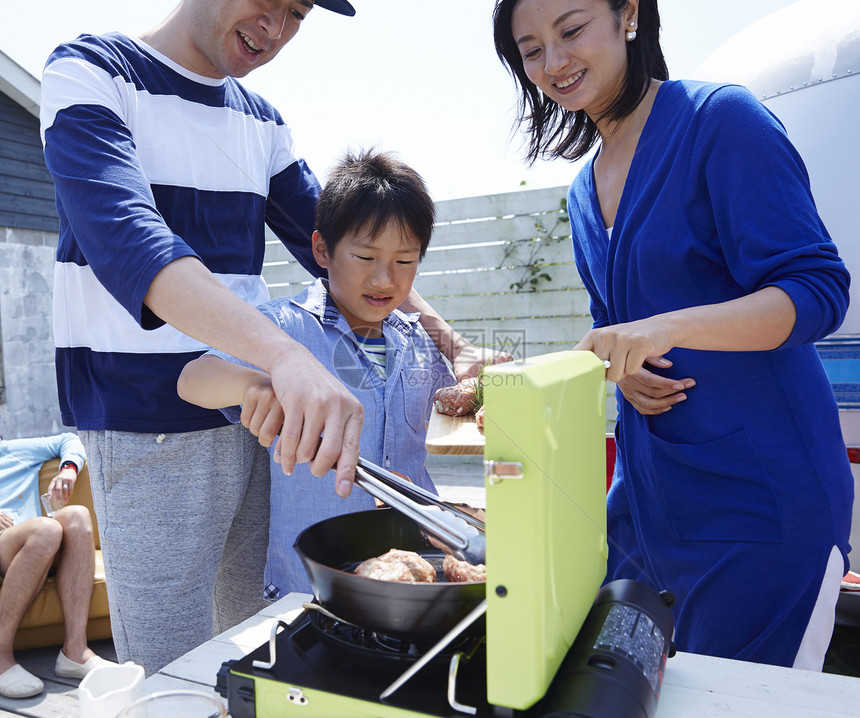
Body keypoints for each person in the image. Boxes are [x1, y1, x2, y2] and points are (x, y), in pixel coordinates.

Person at [40, 0, 503, 674]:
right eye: (269, 1)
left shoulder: (261, 121)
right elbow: (130, 242)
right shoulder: (93, 71)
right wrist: (286, 354)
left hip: (259, 418)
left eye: (297, 14)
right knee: (171, 670)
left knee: (260, 645)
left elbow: (347, 246)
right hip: (150, 427)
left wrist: (450, 341)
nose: (276, 30)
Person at [493, 0, 853, 670]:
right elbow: (619, 323)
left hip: (761, 512)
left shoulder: (720, 121)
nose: (554, 62)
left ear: (628, 14)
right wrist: (615, 363)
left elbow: (818, 291)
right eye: (531, 49)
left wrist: (666, 327)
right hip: (647, 506)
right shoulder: (581, 189)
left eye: (571, 31)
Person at [178, 148, 456, 597]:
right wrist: (254, 383)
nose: (385, 280)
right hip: (311, 585)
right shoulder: (284, 329)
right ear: (322, 249)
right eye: (365, 258)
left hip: (415, 570)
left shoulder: (418, 340)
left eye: (405, 261)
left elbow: (450, 415)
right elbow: (192, 378)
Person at [0, 432, 113, 699]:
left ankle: (75, 651)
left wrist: (69, 470)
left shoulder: (14, 450)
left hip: (38, 541)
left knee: (76, 515)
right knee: (46, 529)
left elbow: (68, 440)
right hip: (8, 544)